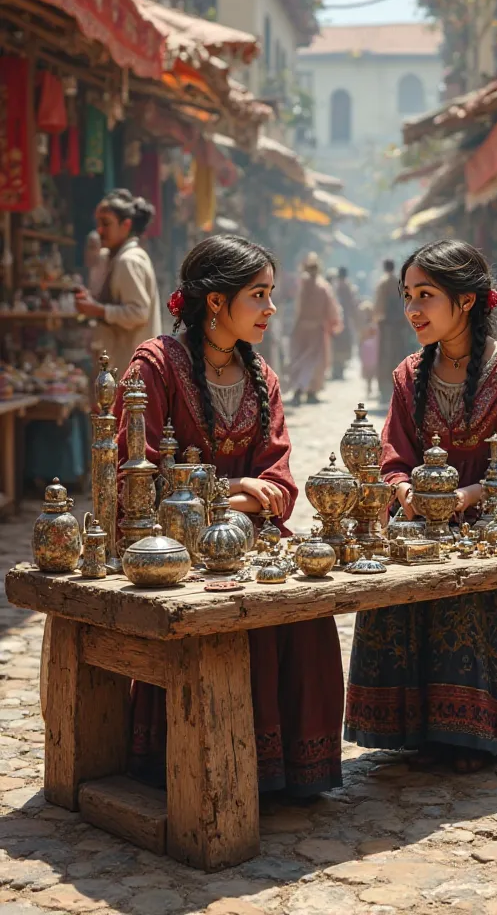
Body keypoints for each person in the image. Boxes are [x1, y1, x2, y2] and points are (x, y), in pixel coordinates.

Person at [114, 235, 344, 796]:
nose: (271, 309)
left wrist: (228, 498)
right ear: (216, 302)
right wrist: (236, 488)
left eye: (271, 295)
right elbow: (134, 482)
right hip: (172, 548)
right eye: (259, 295)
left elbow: (281, 488)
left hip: (253, 540)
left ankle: (288, 770)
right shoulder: (156, 366)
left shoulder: (262, 375)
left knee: (304, 605)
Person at [344, 239, 497, 771]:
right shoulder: (406, 375)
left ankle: (475, 728)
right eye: (407, 295)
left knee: (470, 586)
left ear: (465, 302)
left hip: (492, 532)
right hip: (421, 527)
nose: (412, 309)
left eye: (425, 295)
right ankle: (411, 723)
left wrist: (469, 496)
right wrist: (406, 493)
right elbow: (391, 457)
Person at [75, 189, 162, 380]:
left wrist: (97, 309)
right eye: (98, 223)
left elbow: (138, 313)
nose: (99, 230)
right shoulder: (114, 258)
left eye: (106, 224)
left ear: (126, 225)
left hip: (131, 371)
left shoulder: (128, 261)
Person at [289, 252, 343, 405]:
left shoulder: (301, 285)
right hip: (316, 330)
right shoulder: (323, 287)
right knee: (314, 361)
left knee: (300, 359)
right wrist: (333, 324)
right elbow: (331, 309)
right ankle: (310, 391)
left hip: (302, 328)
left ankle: (299, 390)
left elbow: (296, 308)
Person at [374, 258, 407, 403]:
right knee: (398, 353)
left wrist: (375, 319)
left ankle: (385, 388)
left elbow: (379, 306)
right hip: (400, 325)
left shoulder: (383, 283)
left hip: (386, 325)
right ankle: (399, 386)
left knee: (385, 355)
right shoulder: (399, 282)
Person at [331, 266, 359, 380]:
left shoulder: (335, 287)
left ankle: (336, 369)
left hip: (336, 318)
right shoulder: (349, 287)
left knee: (336, 344)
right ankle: (339, 369)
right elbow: (352, 305)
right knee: (342, 345)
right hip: (345, 319)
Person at [358, 300, 378, 398]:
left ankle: (369, 386)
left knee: (370, 369)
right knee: (369, 369)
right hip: (369, 350)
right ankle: (369, 386)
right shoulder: (371, 324)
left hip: (370, 350)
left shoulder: (371, 325)